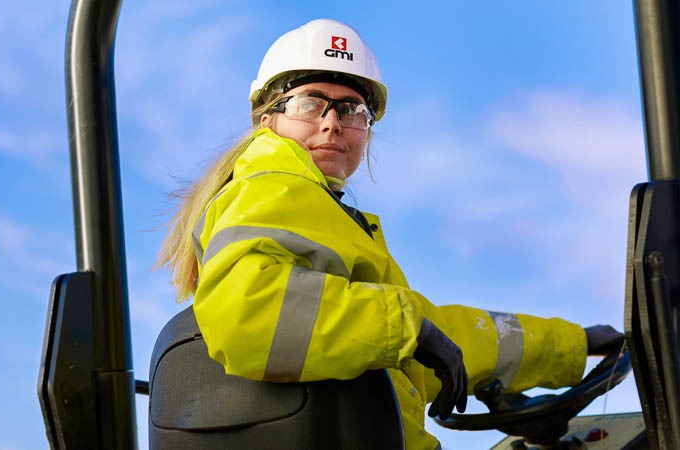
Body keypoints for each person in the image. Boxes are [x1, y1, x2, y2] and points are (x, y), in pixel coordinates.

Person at [158, 18, 624, 450]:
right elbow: (248, 314)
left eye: (351, 108)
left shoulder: (326, 225)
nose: (331, 122)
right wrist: (405, 329)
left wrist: (572, 343)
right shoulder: (273, 185)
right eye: (309, 103)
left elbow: (447, 333)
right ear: (268, 119)